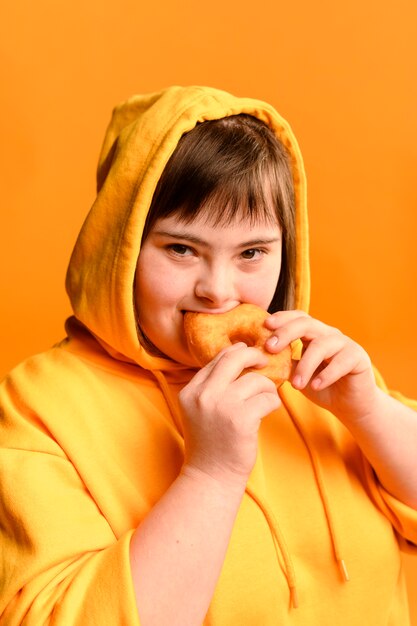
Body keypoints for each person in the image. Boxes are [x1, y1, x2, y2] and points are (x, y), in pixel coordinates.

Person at [0, 85, 416, 626]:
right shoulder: (34, 410)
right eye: (181, 249)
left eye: (252, 253)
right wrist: (212, 474)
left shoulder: (318, 376)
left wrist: (369, 413)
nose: (218, 292)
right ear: (120, 246)